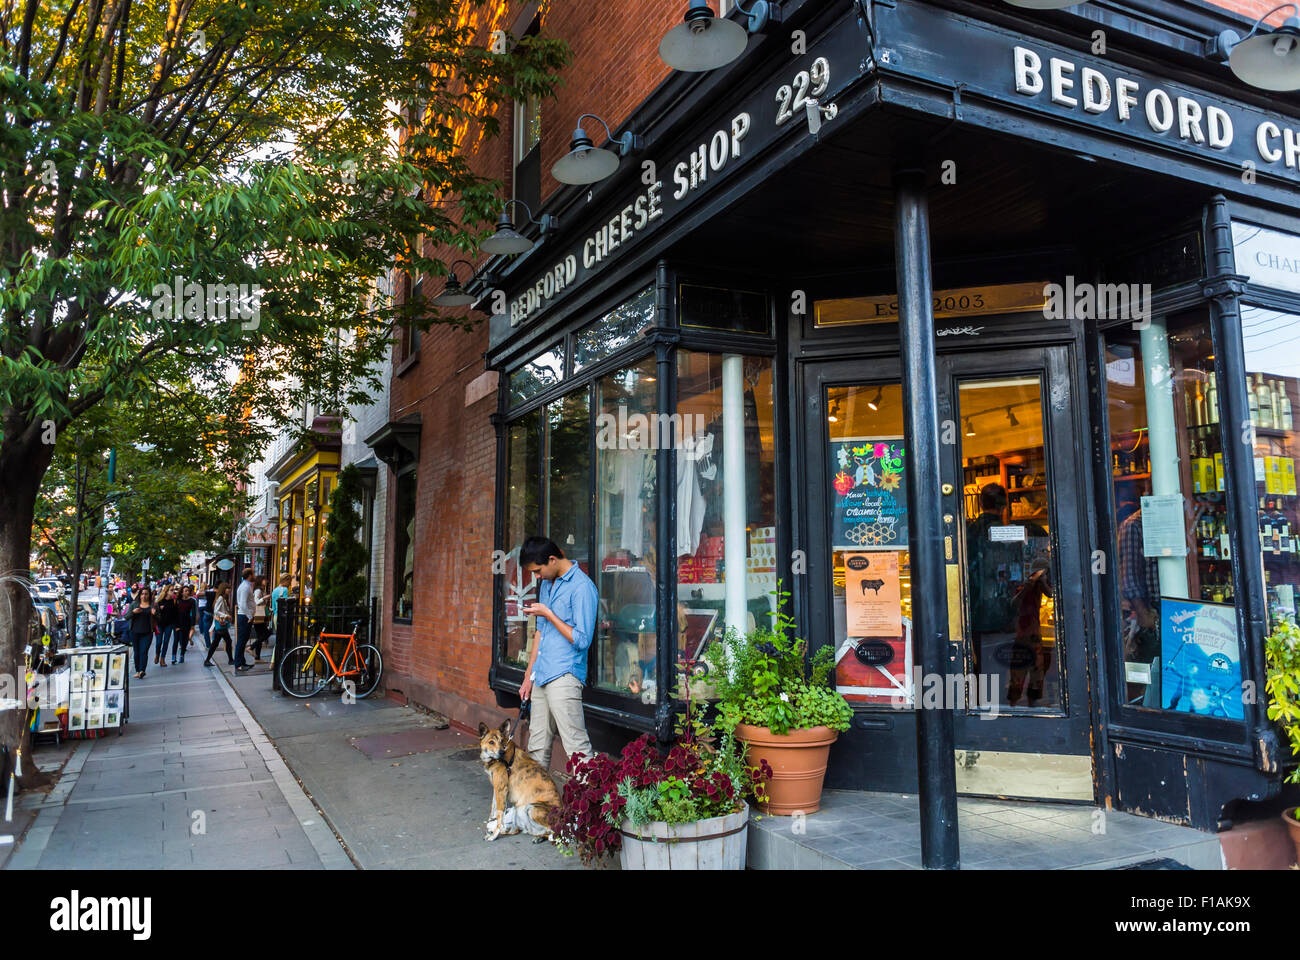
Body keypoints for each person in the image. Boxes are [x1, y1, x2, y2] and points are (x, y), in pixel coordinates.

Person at [517, 536, 597, 772]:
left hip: (564, 674)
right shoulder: (547, 585)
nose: (537, 577)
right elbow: (540, 633)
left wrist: (549, 614)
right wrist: (528, 676)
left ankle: (588, 809)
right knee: (536, 748)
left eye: (538, 570)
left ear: (552, 559)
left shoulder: (582, 587)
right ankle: (536, 806)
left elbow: (583, 639)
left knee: (577, 749)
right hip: (541, 674)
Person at [129, 587, 157, 680]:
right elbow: (125, 616)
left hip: (147, 632)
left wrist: (155, 614)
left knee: (144, 651)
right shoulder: (134, 604)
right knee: (136, 652)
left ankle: (142, 670)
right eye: (142, 594)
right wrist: (133, 612)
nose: (144, 596)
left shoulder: (153, 605)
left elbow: (159, 618)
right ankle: (137, 671)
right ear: (139, 595)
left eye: (146, 594)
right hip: (135, 632)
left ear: (149, 595)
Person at [204, 583, 234, 666]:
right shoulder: (221, 598)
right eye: (228, 588)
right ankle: (230, 660)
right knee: (227, 641)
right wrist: (226, 615)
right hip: (220, 623)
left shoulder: (222, 598)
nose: (230, 590)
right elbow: (216, 611)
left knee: (216, 643)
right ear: (224, 589)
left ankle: (207, 660)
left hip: (221, 624)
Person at [234, 569, 256, 672]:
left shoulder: (246, 585)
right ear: (249, 575)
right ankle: (238, 664)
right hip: (244, 617)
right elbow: (242, 604)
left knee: (243, 640)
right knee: (242, 641)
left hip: (245, 616)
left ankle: (242, 662)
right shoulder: (245, 587)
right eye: (253, 574)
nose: (254, 575)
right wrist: (249, 616)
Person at [155, 584, 177, 668]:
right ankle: (157, 653)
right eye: (171, 590)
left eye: (173, 590)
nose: (173, 592)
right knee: (159, 642)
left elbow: (175, 614)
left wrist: (176, 625)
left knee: (166, 641)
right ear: (166, 591)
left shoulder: (174, 601)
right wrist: (159, 609)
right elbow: (155, 613)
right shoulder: (160, 601)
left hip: (169, 624)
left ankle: (162, 658)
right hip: (160, 624)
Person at [250, 577, 270, 663]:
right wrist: (265, 598)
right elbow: (256, 602)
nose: (266, 581)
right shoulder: (258, 591)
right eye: (264, 579)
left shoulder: (262, 590)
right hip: (258, 615)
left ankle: (257, 657)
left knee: (260, 636)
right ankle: (251, 647)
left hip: (262, 614)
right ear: (260, 581)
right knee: (267, 633)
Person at [175, 585, 197, 663]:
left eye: (188, 591)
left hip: (187, 621)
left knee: (185, 639)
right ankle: (176, 655)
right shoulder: (178, 600)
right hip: (178, 621)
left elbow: (194, 613)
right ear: (182, 592)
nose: (187, 592)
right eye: (185, 591)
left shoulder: (192, 601)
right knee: (179, 638)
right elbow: (175, 612)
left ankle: (182, 654)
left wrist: (193, 624)